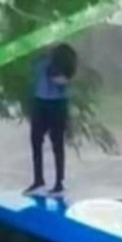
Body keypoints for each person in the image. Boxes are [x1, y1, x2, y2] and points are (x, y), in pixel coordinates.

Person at [23, 43, 77, 196]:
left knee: (57, 142)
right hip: (40, 100)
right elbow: (31, 73)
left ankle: (59, 183)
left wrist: (56, 72)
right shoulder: (40, 58)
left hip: (57, 103)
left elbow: (65, 79)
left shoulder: (62, 54)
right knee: (36, 141)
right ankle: (38, 180)